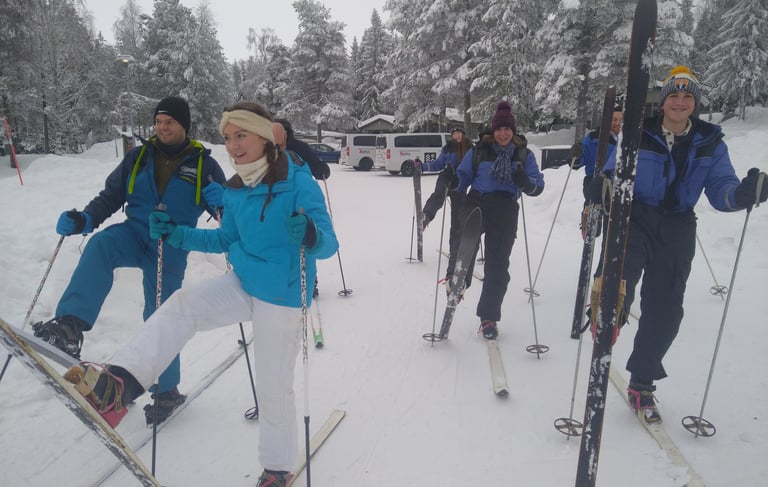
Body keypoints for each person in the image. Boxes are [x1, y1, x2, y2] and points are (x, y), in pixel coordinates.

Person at [65, 101, 338, 487]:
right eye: (227, 138)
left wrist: (311, 234)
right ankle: (121, 383)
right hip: (244, 281)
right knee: (183, 304)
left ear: (263, 136)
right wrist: (178, 234)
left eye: (241, 135)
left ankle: (276, 468)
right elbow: (226, 238)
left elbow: (329, 245)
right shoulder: (237, 187)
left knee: (274, 384)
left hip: (283, 295)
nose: (233, 145)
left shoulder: (298, 181)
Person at [587, 66, 768, 424]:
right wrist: (601, 186)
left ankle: (642, 380)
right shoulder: (639, 133)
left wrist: (744, 195)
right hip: (634, 220)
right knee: (616, 287)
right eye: (674, 95)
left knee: (667, 310)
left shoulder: (710, 143)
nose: (680, 102)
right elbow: (612, 172)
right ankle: (606, 329)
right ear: (664, 100)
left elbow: (721, 191)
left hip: (678, 227)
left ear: (694, 103)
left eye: (687, 96)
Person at [33, 96, 225, 425]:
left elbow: (228, 217)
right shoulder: (139, 157)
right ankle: (70, 325)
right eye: (159, 121)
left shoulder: (204, 165)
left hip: (172, 244)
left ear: (184, 126)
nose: (162, 128)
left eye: (170, 122)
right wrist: (85, 220)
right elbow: (112, 195)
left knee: (162, 315)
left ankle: (166, 390)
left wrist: (226, 204)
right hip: (134, 233)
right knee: (101, 245)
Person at [454, 101, 545, 339]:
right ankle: (458, 281)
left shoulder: (524, 154)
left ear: (513, 131)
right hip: (477, 203)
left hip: (505, 208)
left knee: (498, 266)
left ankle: (489, 317)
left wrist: (525, 180)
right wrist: (451, 182)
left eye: (507, 129)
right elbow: (462, 177)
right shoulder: (479, 151)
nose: (503, 134)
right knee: (466, 242)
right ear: (493, 131)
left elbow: (538, 186)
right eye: (499, 129)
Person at [421, 127, 473, 290]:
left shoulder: (470, 148)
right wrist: (422, 167)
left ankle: (454, 250)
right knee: (438, 195)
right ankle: (426, 216)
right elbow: (438, 163)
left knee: (457, 220)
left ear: (463, 134)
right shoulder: (447, 148)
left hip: (461, 183)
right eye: (454, 134)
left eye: (459, 133)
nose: (456, 136)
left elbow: (472, 167)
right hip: (446, 177)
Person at [571, 103, 623, 236]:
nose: (618, 123)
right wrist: (576, 155)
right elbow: (579, 158)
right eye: (614, 120)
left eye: (621, 120)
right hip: (596, 180)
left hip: (619, 184)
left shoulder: (629, 139)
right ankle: (590, 217)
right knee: (593, 189)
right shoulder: (595, 138)